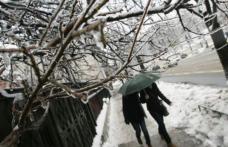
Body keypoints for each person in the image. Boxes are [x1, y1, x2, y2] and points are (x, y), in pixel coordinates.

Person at [140, 82, 176, 147]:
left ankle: (160, 132)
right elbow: (141, 100)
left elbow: (159, 93)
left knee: (161, 123)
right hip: (152, 109)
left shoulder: (153, 84)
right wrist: (145, 98)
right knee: (161, 124)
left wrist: (168, 101)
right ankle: (169, 142)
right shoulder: (142, 89)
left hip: (159, 106)